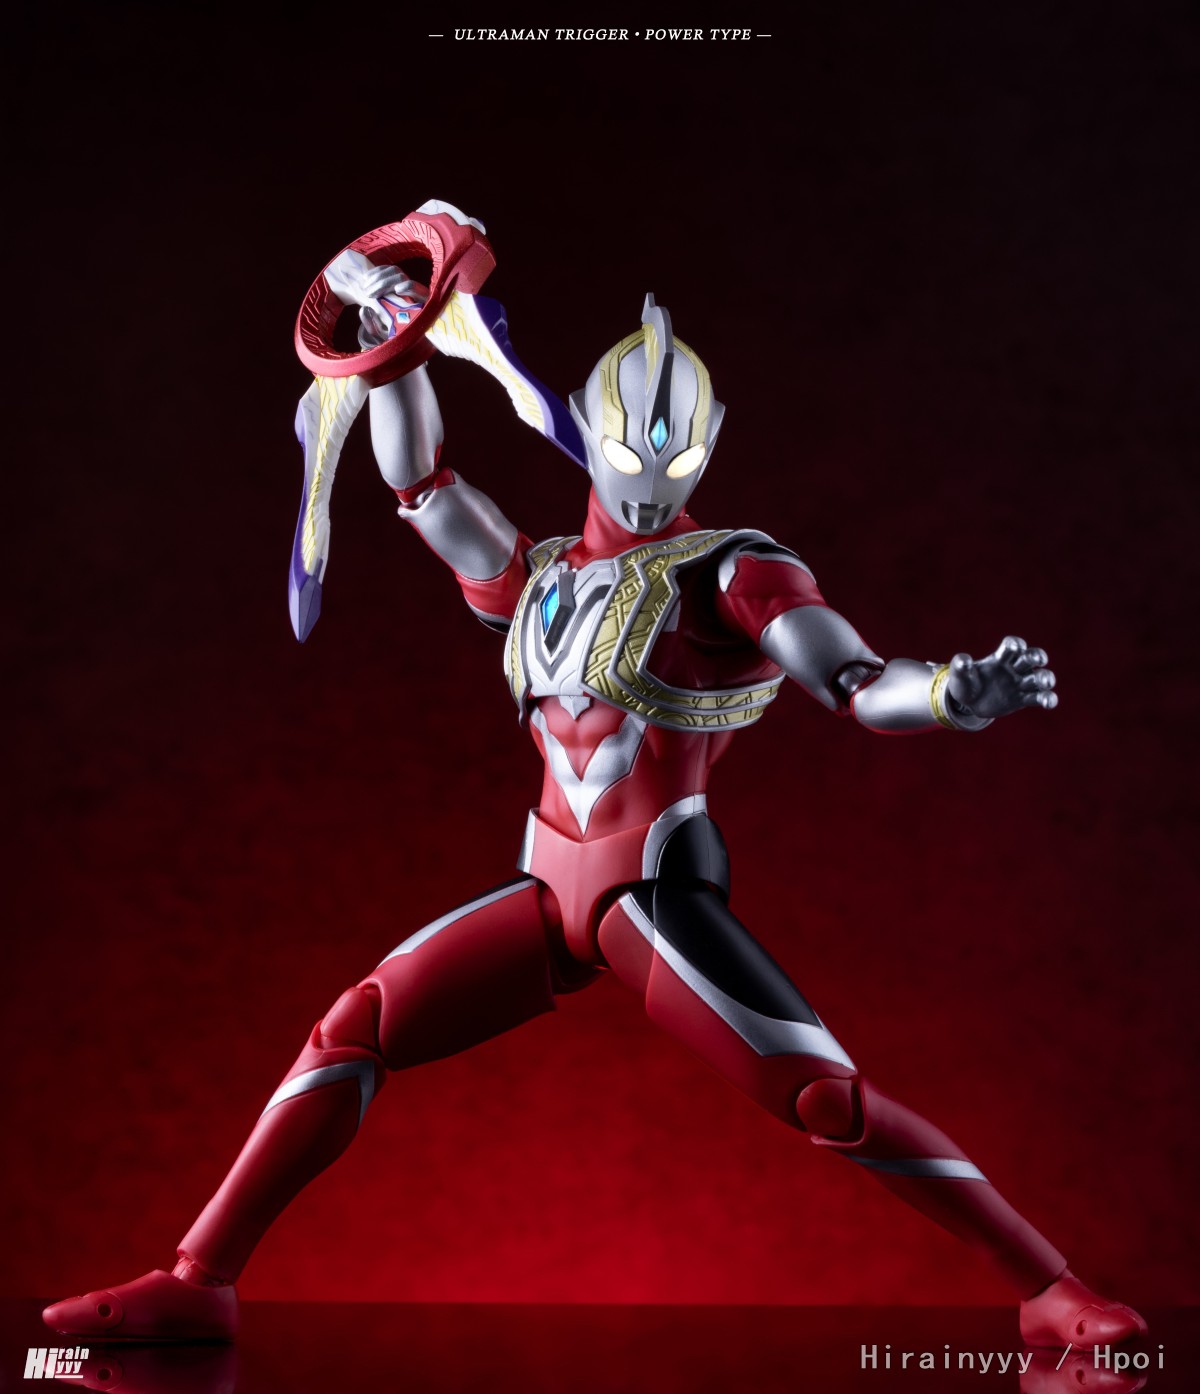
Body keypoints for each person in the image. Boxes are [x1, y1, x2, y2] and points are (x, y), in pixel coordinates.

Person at [45, 270, 1144, 1349]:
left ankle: (1050, 1288)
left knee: (827, 1101)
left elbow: (853, 680)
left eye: (679, 459)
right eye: (629, 453)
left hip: (652, 895)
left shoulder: (731, 570)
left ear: (710, 445)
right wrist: (390, 356)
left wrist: (951, 692)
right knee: (353, 1028)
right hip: (544, 892)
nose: (651, 485)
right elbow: (423, 489)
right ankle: (197, 1280)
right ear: (586, 427)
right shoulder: (543, 578)